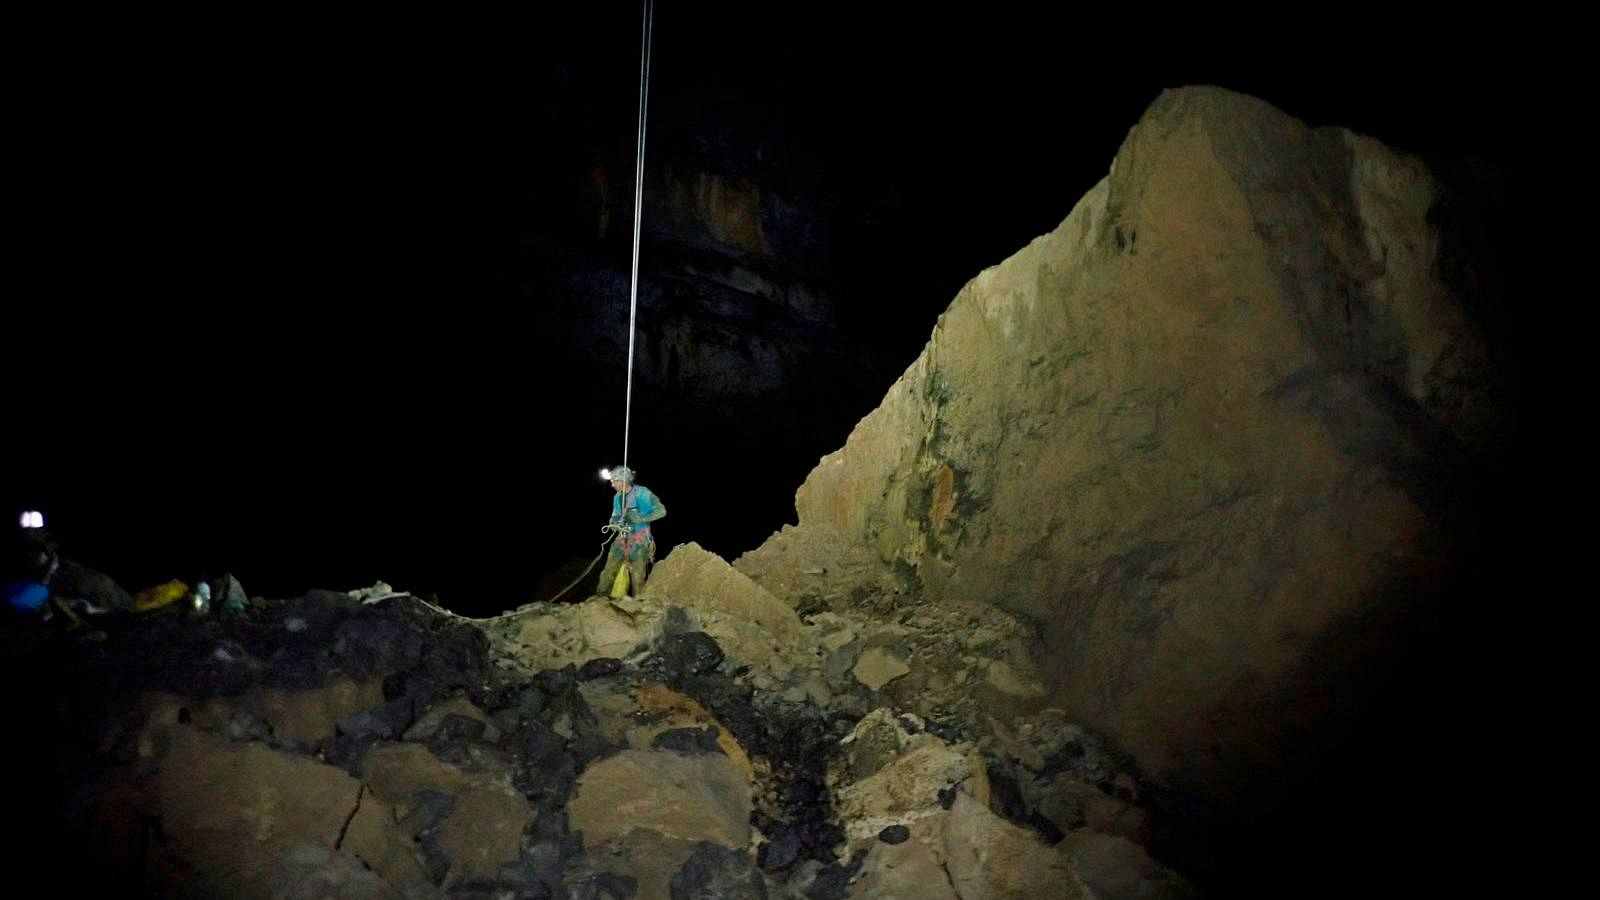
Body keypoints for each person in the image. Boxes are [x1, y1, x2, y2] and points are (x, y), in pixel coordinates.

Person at [595, 466, 665, 599]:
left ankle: (638, 606)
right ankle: (599, 601)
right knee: (608, 572)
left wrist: (642, 518)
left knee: (637, 576)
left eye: (614, 481)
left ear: (623, 481)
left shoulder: (642, 493)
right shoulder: (617, 497)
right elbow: (614, 516)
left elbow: (661, 511)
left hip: (640, 539)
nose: (612, 484)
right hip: (622, 538)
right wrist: (615, 523)